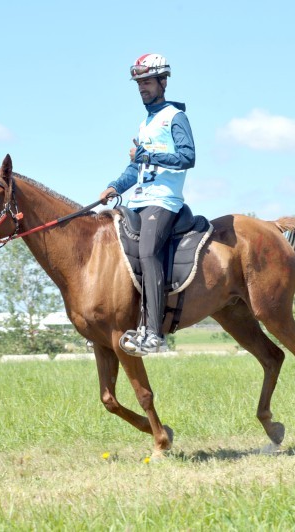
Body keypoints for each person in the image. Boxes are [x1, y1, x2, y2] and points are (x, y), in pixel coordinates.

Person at [99, 53, 196, 355]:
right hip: (138, 200)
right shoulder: (145, 124)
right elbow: (136, 169)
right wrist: (115, 186)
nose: (143, 87)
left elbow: (188, 157)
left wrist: (149, 156)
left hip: (164, 201)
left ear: (163, 82)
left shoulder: (174, 117)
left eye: (148, 82)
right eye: (139, 83)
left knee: (148, 252)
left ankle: (154, 333)